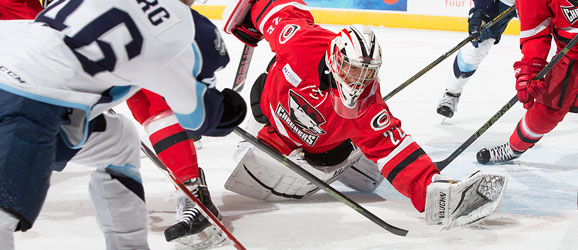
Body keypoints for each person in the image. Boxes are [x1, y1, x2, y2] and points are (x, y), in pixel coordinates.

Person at [223, 0, 507, 228]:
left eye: (368, 72)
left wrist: (436, 192)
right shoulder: (301, 44)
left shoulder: (367, 104)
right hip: (272, 125)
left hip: (327, 150)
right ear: (336, 58)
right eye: (354, 69)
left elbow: (395, 148)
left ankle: (348, 157)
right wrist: (253, 9)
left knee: (370, 180)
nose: (359, 80)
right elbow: (282, 12)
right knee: (246, 159)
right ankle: (268, 137)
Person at [0, 0, 246, 250]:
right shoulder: (188, 26)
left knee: (118, 139)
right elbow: (198, 119)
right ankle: (191, 191)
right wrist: (225, 110)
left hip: (16, 61)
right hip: (26, 102)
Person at [125, 9, 232, 248]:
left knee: (155, 102)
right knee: (142, 104)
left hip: (140, 27)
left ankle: (193, 194)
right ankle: (191, 189)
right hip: (112, 28)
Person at [476, 0, 578, 164]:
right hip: (571, 56)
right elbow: (535, 32)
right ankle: (514, 148)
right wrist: (531, 68)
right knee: (545, 112)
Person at [437, 0, 516, 118]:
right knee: (475, 49)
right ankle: (452, 93)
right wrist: (482, 11)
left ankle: (548, 98)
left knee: (547, 41)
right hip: (502, 3)